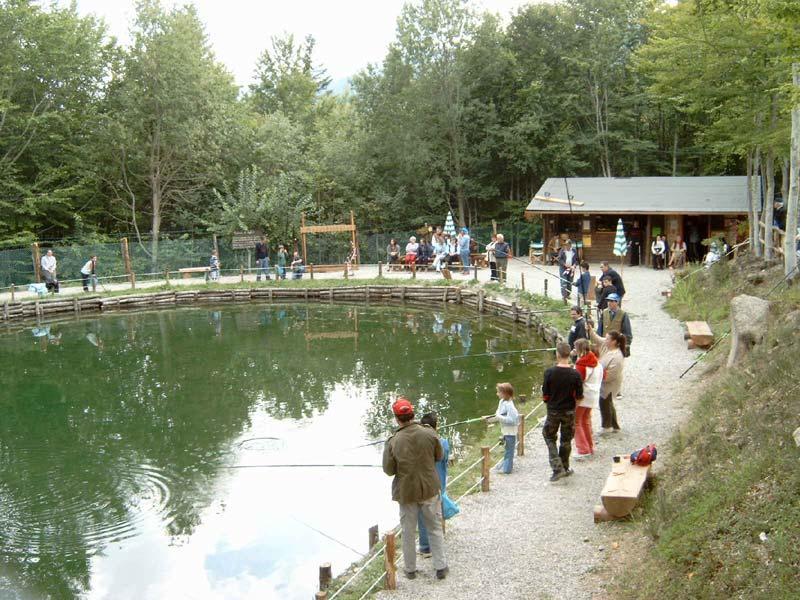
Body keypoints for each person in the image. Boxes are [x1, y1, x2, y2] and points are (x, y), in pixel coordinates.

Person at [382, 397, 448, 580]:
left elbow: (388, 470)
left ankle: (410, 570)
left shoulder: (393, 441)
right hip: (429, 488)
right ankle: (441, 567)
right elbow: (439, 455)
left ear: (397, 418)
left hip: (406, 492)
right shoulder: (429, 433)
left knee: (408, 531)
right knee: (434, 528)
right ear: (413, 414)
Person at [541, 342, 584, 481]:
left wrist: (551, 404)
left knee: (548, 436)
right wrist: (572, 408)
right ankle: (565, 466)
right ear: (568, 354)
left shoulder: (549, 373)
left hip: (553, 410)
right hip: (569, 411)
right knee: (566, 439)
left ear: (557, 354)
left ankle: (557, 467)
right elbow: (579, 396)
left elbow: (545, 396)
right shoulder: (575, 374)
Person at [417, 412, 454, 557]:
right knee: (437, 515)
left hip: (425, 484)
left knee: (423, 515)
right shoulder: (443, 442)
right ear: (436, 425)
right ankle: (438, 545)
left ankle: (425, 547)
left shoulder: (420, 444)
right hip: (439, 483)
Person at [587, 327, 626, 434]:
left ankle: (607, 426)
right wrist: (590, 330)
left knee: (605, 403)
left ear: (614, 342)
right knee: (607, 403)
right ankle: (615, 425)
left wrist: (595, 375)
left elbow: (610, 376)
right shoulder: (607, 346)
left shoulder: (617, 357)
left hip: (610, 383)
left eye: (608, 339)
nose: (605, 340)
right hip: (603, 380)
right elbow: (598, 339)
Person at [573, 338, 603, 458]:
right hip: (593, 395)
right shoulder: (596, 362)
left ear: (579, 349)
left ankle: (583, 449)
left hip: (583, 396)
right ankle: (590, 446)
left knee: (576, 421)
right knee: (585, 420)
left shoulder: (582, 364)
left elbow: (577, 382)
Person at [484, 382, 520, 474]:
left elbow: (513, 420)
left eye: (498, 392)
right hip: (504, 430)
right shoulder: (502, 402)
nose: (497, 394)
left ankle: (507, 470)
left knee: (509, 451)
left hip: (510, 432)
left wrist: (498, 417)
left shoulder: (510, 406)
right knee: (507, 449)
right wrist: (488, 419)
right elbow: (498, 415)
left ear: (505, 393)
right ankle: (505, 466)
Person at [557, 240, 579, 304]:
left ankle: (568, 294)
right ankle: (564, 295)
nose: (566, 246)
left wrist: (574, 265)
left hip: (571, 268)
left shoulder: (574, 250)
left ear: (570, 245)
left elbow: (577, 260)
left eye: (568, 245)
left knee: (570, 281)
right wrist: (564, 264)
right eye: (566, 245)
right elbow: (559, 259)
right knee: (564, 281)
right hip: (563, 268)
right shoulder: (562, 250)